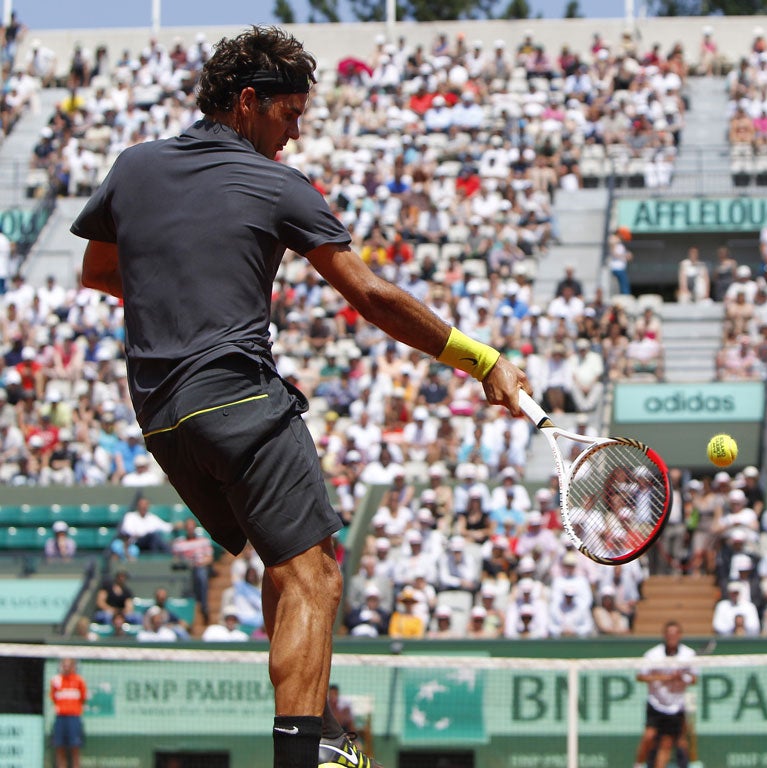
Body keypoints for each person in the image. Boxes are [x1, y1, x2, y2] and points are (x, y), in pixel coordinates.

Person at [71, 26, 530, 768]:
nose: (295, 133)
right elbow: (371, 296)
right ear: (248, 102)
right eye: (290, 115)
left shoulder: (134, 167)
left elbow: (99, 272)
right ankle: (305, 756)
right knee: (317, 572)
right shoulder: (278, 183)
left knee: (286, 566)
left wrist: (185, 283)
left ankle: (304, 742)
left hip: (162, 419)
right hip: (235, 394)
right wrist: (483, 361)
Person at [633, 621, 696, 768]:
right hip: (656, 703)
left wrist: (681, 677)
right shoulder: (652, 655)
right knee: (649, 736)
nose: (672, 637)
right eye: (669, 633)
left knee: (667, 743)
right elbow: (641, 676)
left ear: (679, 635)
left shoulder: (689, 654)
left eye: (675, 633)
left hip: (676, 706)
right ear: (664, 635)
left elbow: (693, 678)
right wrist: (665, 677)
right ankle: (637, 765)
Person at [50, 657, 87, 768]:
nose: (66, 668)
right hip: (60, 718)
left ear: (73, 666)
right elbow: (53, 698)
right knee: (59, 748)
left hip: (74, 718)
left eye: (68, 665)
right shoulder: (56, 680)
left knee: (75, 748)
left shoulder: (79, 680)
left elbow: (83, 698)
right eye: (64, 665)